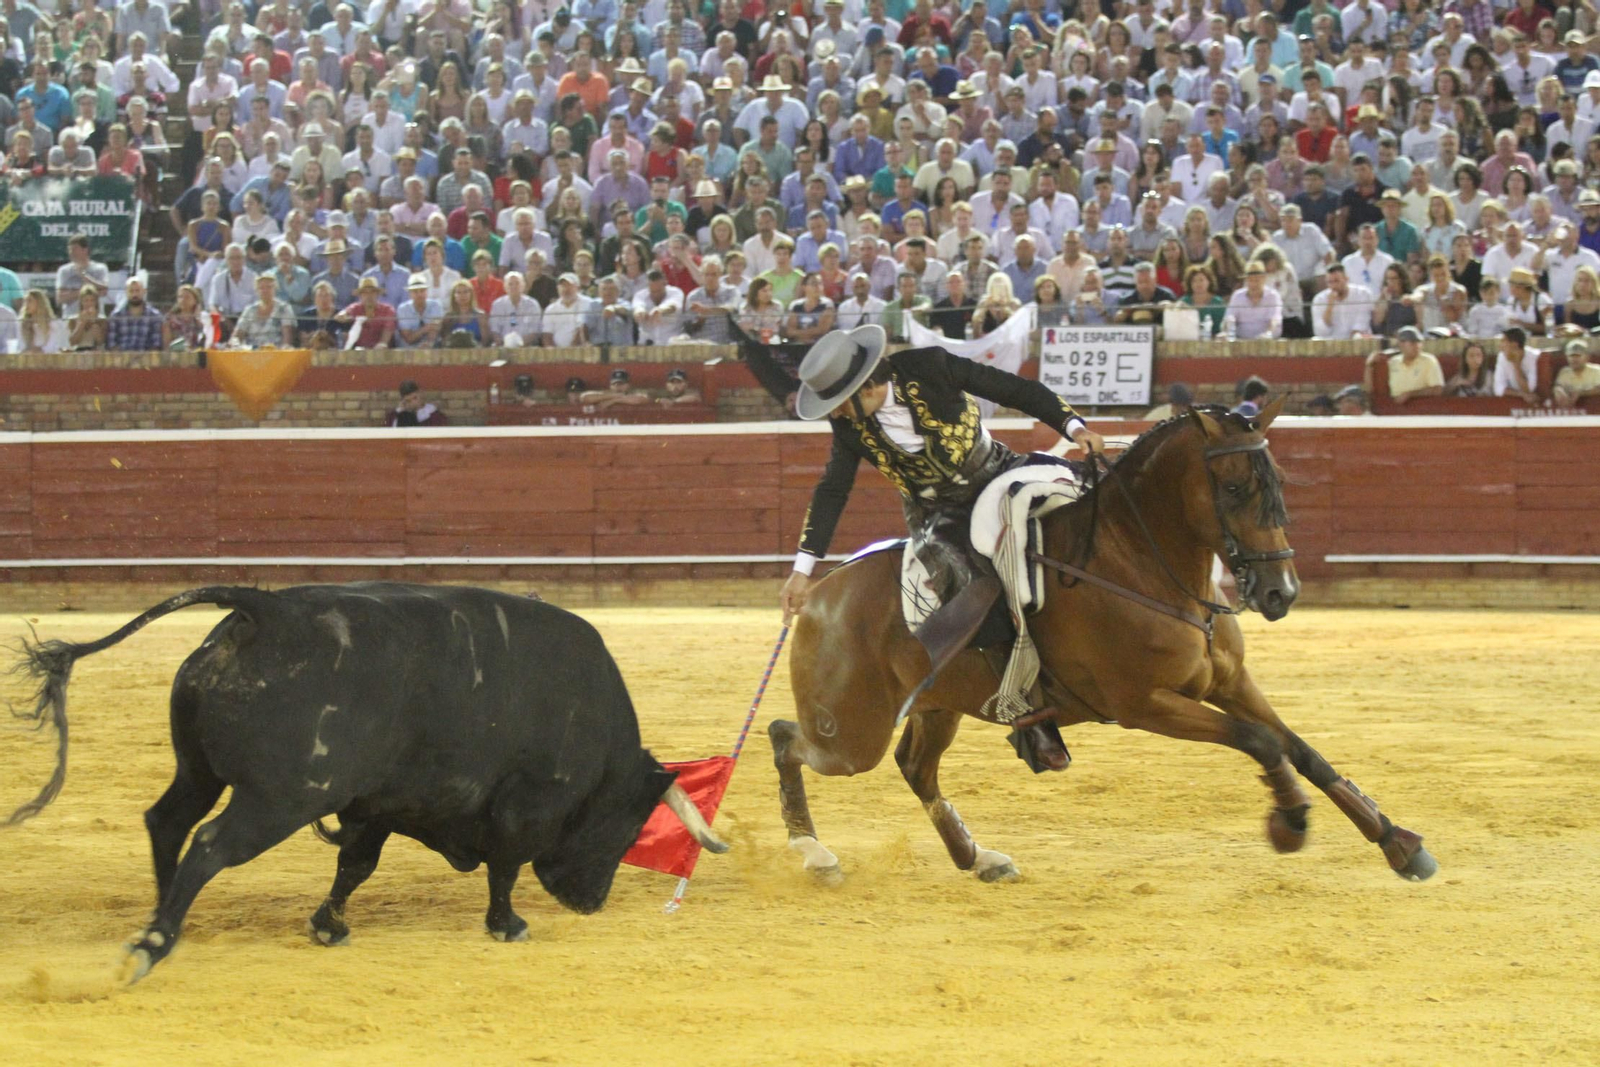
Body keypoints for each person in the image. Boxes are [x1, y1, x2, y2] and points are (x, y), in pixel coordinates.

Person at [779, 324, 1103, 769]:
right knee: (974, 588)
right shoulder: (850, 427)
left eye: (838, 403)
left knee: (1087, 499)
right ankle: (1029, 713)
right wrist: (801, 570)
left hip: (998, 470)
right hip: (939, 515)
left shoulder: (931, 367)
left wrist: (1074, 427)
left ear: (866, 386)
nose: (835, 414)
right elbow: (833, 489)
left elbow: (1013, 389)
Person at [1366, 326, 1444, 404]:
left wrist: (1410, 394)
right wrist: (1369, 365)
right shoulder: (1393, 362)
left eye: (1419, 342)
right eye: (1412, 343)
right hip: (1395, 406)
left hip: (1422, 405)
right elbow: (1371, 389)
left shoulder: (1428, 360)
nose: (1417, 346)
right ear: (1401, 344)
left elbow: (1438, 389)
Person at [231, 273, 299, 347]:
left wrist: (285, 348)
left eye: (269, 287)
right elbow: (238, 334)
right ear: (256, 290)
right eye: (261, 288)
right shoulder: (250, 310)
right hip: (251, 351)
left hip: (276, 350)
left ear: (275, 289)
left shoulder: (284, 308)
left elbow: (287, 337)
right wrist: (233, 345)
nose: (265, 290)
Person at [105, 275, 164, 351]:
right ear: (126, 292)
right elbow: (112, 344)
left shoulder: (154, 316)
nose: (134, 294)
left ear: (144, 291)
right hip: (121, 356)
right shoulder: (116, 316)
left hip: (146, 357)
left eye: (137, 291)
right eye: (131, 291)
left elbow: (156, 344)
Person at [1493, 326, 1542, 403]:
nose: (1500, 346)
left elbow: (1530, 389)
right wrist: (1521, 394)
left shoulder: (1534, 357)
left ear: (1514, 345)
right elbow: (1498, 389)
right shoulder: (1501, 357)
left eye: (1503, 341)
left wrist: (1516, 365)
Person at [1553, 340, 1600, 408]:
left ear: (1587, 357)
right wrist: (1559, 392)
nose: (1574, 359)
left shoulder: (1597, 370)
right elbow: (1558, 386)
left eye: (1578, 356)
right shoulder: (1565, 372)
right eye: (1571, 356)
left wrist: (1581, 393)